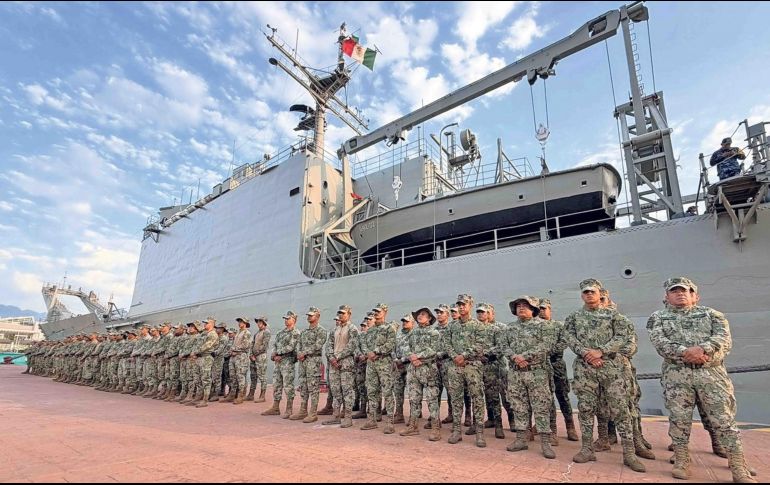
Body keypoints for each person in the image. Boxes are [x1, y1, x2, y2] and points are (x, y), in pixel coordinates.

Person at [648, 277, 756, 483]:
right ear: (667, 296)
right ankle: (682, 460)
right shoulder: (659, 317)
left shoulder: (712, 315)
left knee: (724, 420)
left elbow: (724, 341)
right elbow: (661, 342)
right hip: (677, 376)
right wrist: (686, 352)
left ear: (695, 296)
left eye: (686, 291)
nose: (681, 294)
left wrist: (702, 350)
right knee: (679, 419)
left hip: (712, 375)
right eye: (675, 291)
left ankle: (738, 465)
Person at [564, 278, 646, 473]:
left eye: (592, 291)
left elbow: (623, 337)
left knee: (620, 409)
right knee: (585, 408)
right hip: (585, 369)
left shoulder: (614, 316)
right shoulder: (574, 317)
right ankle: (586, 448)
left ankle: (629, 453)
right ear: (581, 295)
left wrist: (601, 351)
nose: (589, 294)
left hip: (612, 368)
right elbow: (568, 336)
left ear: (600, 293)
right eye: (585, 292)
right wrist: (586, 353)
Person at [503, 296, 556, 459]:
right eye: (518, 306)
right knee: (518, 406)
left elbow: (547, 345)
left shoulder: (543, 326)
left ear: (533, 309)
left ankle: (545, 443)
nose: (521, 308)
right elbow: (503, 346)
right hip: (516, 373)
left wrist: (524, 356)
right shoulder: (509, 328)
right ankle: (521, 439)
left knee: (541, 407)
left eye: (525, 305)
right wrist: (514, 358)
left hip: (537, 373)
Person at [444, 294, 487, 448]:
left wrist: (464, 355)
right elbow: (446, 343)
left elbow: (480, 345)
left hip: (472, 366)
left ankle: (480, 433)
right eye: (459, 304)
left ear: (470, 305)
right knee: (456, 398)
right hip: (455, 366)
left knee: (477, 397)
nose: (461, 307)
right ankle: (456, 430)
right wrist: (455, 356)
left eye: (464, 304)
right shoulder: (451, 326)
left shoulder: (478, 326)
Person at [400, 307, 441, 441]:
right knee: (414, 398)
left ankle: (435, 428)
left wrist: (417, 357)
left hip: (428, 369)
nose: (420, 316)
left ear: (429, 318)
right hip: (413, 370)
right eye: (418, 315)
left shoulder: (434, 333)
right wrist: (411, 356)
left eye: (423, 314)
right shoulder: (413, 332)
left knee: (432, 399)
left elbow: (433, 350)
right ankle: (413, 426)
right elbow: (404, 346)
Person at [360, 303, 397, 433]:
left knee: (387, 392)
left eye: (379, 311)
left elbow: (391, 345)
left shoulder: (389, 329)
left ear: (385, 312)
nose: (376, 313)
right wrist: (368, 353)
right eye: (375, 311)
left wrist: (376, 351)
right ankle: (372, 420)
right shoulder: (370, 330)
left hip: (384, 363)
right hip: (371, 364)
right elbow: (363, 344)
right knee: (371, 391)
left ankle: (390, 422)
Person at [324, 305, 360, 428]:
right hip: (334, 364)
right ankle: (336, 416)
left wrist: (338, 357)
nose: (341, 315)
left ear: (349, 314)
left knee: (347, 391)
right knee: (335, 391)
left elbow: (352, 346)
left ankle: (348, 417)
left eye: (343, 313)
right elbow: (328, 345)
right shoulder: (334, 330)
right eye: (339, 313)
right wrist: (331, 358)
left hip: (345, 364)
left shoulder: (353, 329)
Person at [292, 307, 328, 422]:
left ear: (317, 317)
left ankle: (313, 413)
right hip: (303, 362)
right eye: (308, 315)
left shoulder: (321, 331)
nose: (309, 317)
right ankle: (303, 410)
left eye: (311, 315)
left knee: (313, 387)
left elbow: (318, 345)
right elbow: (298, 345)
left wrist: (304, 353)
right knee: (303, 386)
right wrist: (299, 353)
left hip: (313, 361)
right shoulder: (304, 332)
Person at [262, 311, 300, 418]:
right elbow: (275, 344)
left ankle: (289, 408)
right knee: (276, 384)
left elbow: (291, 346)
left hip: (287, 361)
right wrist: (274, 354)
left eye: (288, 318)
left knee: (288, 385)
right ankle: (275, 407)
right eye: (285, 318)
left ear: (294, 320)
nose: (286, 320)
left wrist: (280, 354)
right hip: (278, 362)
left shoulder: (295, 333)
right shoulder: (280, 332)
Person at [229, 317, 252, 405]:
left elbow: (246, 345)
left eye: (241, 322)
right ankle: (233, 394)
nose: (239, 323)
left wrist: (235, 350)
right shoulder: (238, 332)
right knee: (233, 376)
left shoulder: (247, 333)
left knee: (240, 376)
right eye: (239, 322)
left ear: (245, 323)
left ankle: (241, 395)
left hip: (241, 357)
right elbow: (234, 343)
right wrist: (232, 350)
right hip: (234, 357)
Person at [249, 317, 271, 403]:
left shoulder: (266, 332)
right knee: (253, 376)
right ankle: (251, 394)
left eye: (260, 322)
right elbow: (252, 344)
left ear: (264, 323)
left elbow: (264, 346)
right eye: (257, 322)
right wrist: (251, 354)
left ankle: (262, 395)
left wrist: (256, 354)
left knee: (262, 376)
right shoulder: (257, 333)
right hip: (254, 357)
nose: (258, 324)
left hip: (261, 356)